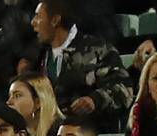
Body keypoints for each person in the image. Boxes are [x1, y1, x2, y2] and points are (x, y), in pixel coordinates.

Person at [19, 0, 131, 129]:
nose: (33, 23)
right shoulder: (38, 57)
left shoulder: (97, 49)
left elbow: (123, 89)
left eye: (38, 16)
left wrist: (95, 100)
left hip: (88, 132)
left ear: (55, 20)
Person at [7, 72, 60, 136]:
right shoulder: (17, 133)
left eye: (17, 96)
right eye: (10, 96)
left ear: (38, 102)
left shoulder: (58, 134)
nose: (9, 102)